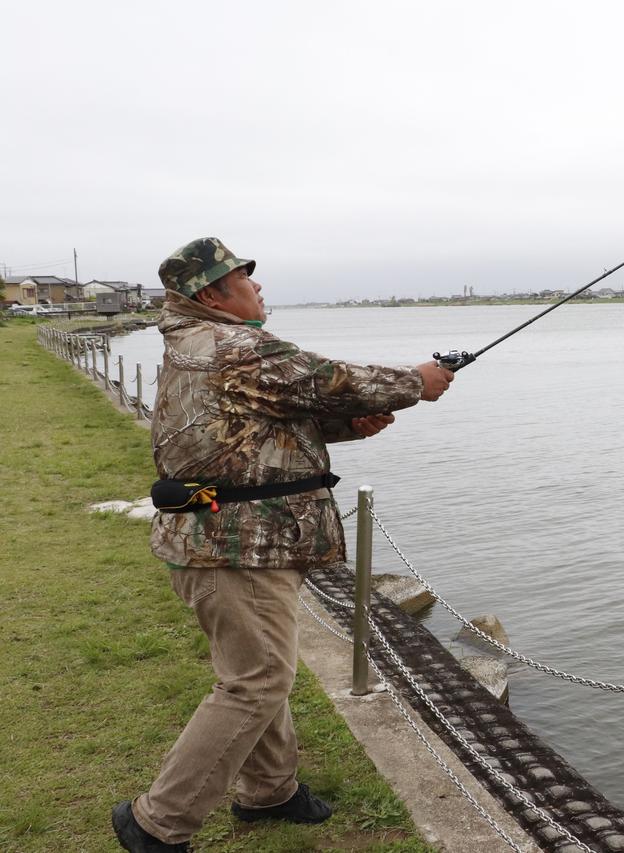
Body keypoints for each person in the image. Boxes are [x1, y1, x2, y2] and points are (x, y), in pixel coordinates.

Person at [112, 237, 454, 852]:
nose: (258, 286)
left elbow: (255, 426)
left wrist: (348, 426)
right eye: (245, 277)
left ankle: (269, 790)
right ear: (212, 293)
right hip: (234, 544)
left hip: (233, 538)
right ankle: (156, 821)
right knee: (256, 680)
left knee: (258, 669)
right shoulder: (232, 344)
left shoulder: (198, 347)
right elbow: (331, 379)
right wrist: (416, 381)